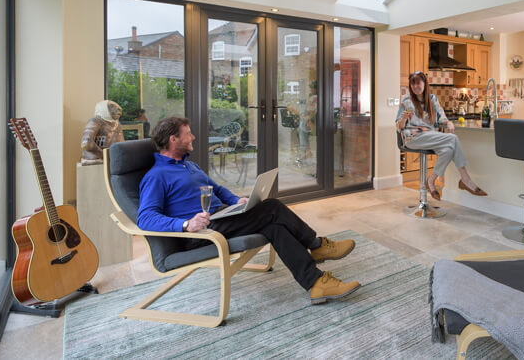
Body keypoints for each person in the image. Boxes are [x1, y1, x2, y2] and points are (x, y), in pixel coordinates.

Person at [138, 116, 361, 304]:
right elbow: (145, 218)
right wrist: (186, 224)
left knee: (275, 228)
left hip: (222, 218)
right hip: (202, 234)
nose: (193, 137)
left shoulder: (190, 165)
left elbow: (217, 189)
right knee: (272, 207)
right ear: (173, 139)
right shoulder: (156, 176)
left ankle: (316, 283)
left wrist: (237, 201)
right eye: (188, 133)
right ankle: (317, 245)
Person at [396, 71, 487, 200]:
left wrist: (448, 122)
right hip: (412, 137)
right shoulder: (407, 101)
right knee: (453, 138)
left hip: (430, 135)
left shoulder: (432, 100)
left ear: (425, 84)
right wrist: (403, 119)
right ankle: (466, 179)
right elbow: (399, 126)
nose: (416, 86)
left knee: (448, 150)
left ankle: (431, 181)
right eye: (413, 84)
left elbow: (442, 118)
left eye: (418, 83)